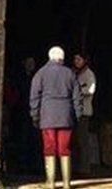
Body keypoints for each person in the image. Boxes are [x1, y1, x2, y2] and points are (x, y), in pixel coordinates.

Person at [30, 46, 82, 189]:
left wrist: (35, 116)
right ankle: (66, 183)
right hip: (66, 117)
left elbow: (34, 97)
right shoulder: (70, 74)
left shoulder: (40, 73)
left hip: (47, 118)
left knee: (49, 148)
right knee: (65, 149)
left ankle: (51, 183)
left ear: (50, 57)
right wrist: (76, 116)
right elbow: (77, 97)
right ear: (62, 58)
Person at [72, 52, 97, 175]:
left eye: (79, 59)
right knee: (76, 140)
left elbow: (91, 89)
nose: (76, 61)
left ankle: (85, 168)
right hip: (75, 111)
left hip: (84, 111)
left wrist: (79, 91)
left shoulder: (89, 74)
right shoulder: (75, 73)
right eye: (75, 59)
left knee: (83, 140)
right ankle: (76, 166)